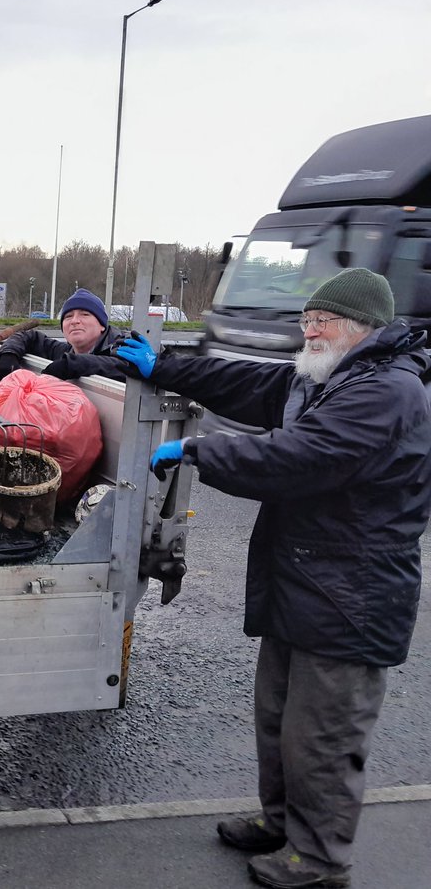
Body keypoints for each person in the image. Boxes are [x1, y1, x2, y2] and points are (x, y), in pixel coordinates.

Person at [117, 268, 431, 889]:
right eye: (306, 320)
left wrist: (198, 452)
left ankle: (318, 860)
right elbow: (247, 382)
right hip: (309, 581)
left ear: (361, 327)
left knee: (323, 734)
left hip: (353, 594)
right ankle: (283, 821)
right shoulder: (331, 375)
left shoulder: (384, 392)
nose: (308, 331)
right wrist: (167, 367)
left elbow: (301, 458)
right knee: (281, 719)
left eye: (322, 322)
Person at [0, 287, 126, 383]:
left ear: (102, 325)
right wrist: (8, 355)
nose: (74, 321)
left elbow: (123, 367)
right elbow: (29, 337)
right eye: (68, 316)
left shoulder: (123, 347)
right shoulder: (65, 351)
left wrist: (72, 365)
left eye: (85, 314)